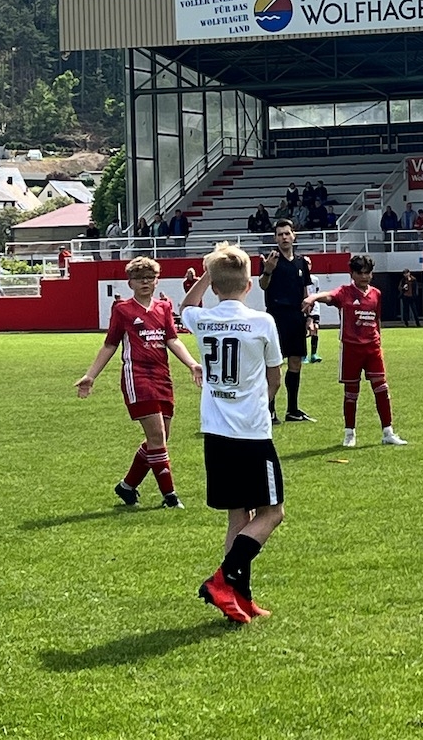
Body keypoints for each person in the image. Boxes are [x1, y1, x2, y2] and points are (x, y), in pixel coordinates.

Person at [180, 243, 285, 624]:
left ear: (214, 285)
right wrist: (263, 402)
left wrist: (207, 273)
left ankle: (239, 598)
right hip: (252, 433)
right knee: (272, 513)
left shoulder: (203, 319)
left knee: (239, 517)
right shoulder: (262, 321)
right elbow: (275, 376)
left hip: (215, 432)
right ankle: (222, 581)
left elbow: (185, 306)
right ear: (249, 285)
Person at [75, 256, 202, 509]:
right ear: (130, 282)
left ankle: (127, 486)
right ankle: (170, 496)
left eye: (149, 277)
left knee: (161, 437)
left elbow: (172, 339)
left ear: (157, 281)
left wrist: (192, 364)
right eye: (139, 278)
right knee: (157, 437)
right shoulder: (123, 310)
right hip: (138, 377)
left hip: (162, 377)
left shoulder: (163, 307)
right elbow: (110, 344)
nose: (145, 282)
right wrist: (91, 375)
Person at [303, 254, 408, 448]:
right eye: (360, 273)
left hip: (372, 348)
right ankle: (349, 433)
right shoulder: (344, 292)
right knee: (351, 392)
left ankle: (388, 432)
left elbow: (376, 319)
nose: (364, 277)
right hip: (351, 349)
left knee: (382, 388)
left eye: (368, 273)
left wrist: (379, 340)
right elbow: (329, 296)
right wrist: (313, 297)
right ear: (352, 274)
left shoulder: (376, 294)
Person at [260, 219, 316, 424]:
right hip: (276, 317)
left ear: (294, 236)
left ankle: (292, 410)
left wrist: (309, 318)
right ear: (275, 238)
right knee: (274, 364)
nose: (284, 237)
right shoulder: (270, 259)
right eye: (280, 234)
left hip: (296, 317)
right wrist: (268, 270)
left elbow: (305, 292)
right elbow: (263, 285)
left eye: (287, 233)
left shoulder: (301, 262)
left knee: (295, 362)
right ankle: (270, 410)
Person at [303, 281, 323, 363]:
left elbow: (316, 292)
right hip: (304, 306)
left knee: (315, 328)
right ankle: (303, 355)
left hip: (314, 307)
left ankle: (314, 354)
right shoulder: (301, 277)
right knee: (304, 330)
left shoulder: (315, 279)